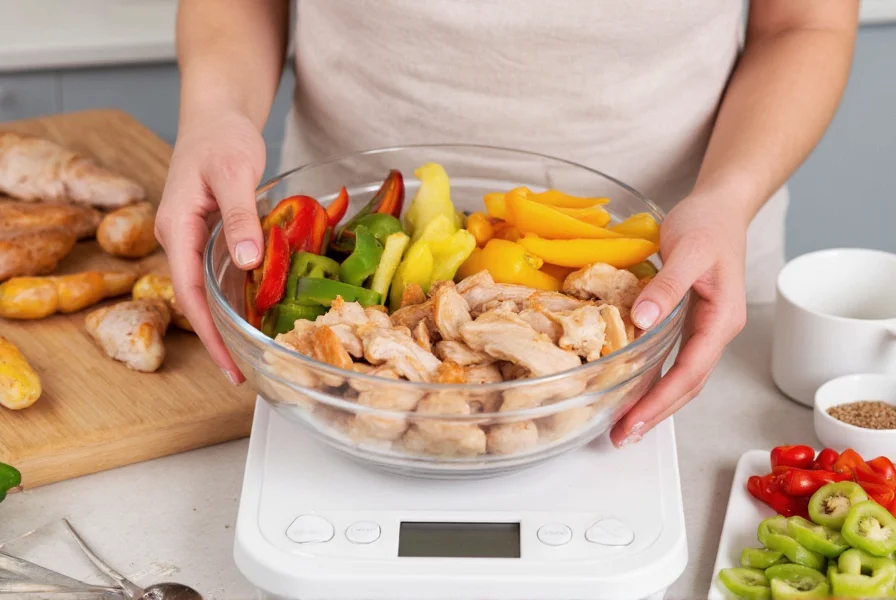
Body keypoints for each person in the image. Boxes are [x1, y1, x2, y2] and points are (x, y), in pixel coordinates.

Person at [156, 0, 858, 448]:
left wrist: (729, 198)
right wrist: (215, 116)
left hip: (679, 255)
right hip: (338, 234)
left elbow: (806, 21)